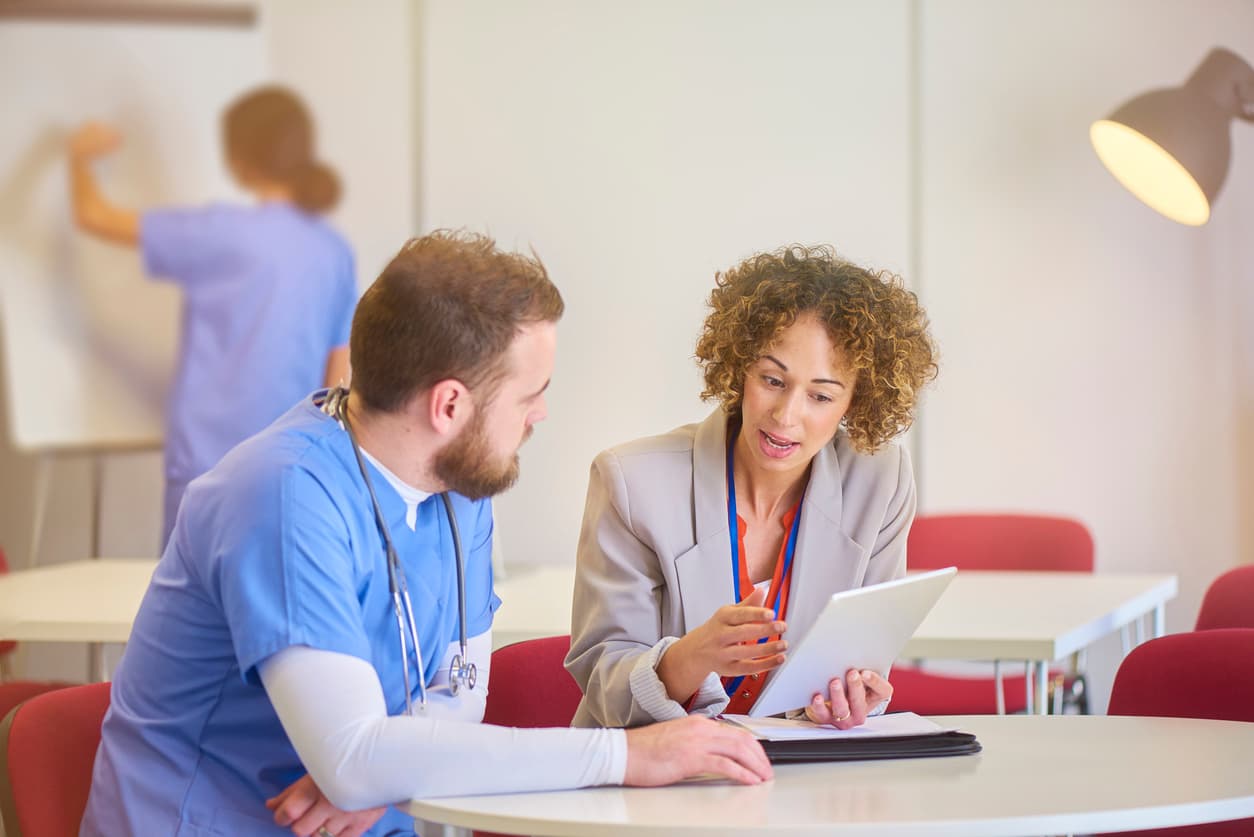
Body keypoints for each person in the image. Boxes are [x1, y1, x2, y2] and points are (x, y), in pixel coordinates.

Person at [80, 231, 772, 837]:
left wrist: (375, 766)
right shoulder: (284, 496)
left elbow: (459, 696)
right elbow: (356, 759)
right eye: (531, 394)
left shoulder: (460, 482)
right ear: (449, 404)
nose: (541, 415)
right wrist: (630, 757)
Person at [566, 244, 938, 731]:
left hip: (797, 781)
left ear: (856, 401)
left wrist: (843, 700)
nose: (786, 417)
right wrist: (689, 658)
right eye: (772, 379)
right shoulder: (632, 482)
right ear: (739, 365)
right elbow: (604, 680)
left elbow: (862, 661)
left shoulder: (879, 481)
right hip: (655, 778)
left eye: (821, 395)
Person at [68, 85, 357, 547]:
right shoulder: (334, 251)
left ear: (239, 160)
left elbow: (92, 215)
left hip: (206, 467)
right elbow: (335, 378)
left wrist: (77, 157)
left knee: (190, 609)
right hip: (290, 468)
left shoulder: (220, 233)